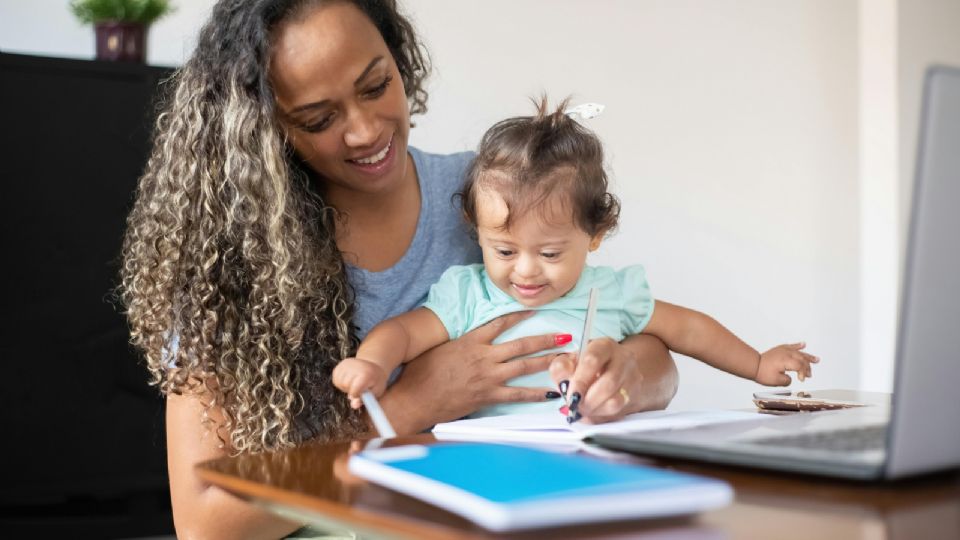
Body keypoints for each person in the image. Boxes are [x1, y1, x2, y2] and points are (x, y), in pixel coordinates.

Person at [119, 0, 678, 538]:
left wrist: (621, 375)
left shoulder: (491, 201)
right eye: (318, 118)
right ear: (264, 129)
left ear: (398, 54)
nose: (365, 131)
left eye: (376, 86)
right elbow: (204, 524)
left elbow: (655, 357)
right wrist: (411, 405)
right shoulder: (232, 264)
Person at [333, 98, 819, 422]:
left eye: (549, 253)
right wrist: (372, 365)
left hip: (593, 457)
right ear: (475, 232)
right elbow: (402, 332)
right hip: (488, 460)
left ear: (595, 236)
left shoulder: (612, 293)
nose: (524, 270)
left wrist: (756, 363)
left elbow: (689, 330)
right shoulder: (469, 293)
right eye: (503, 250)